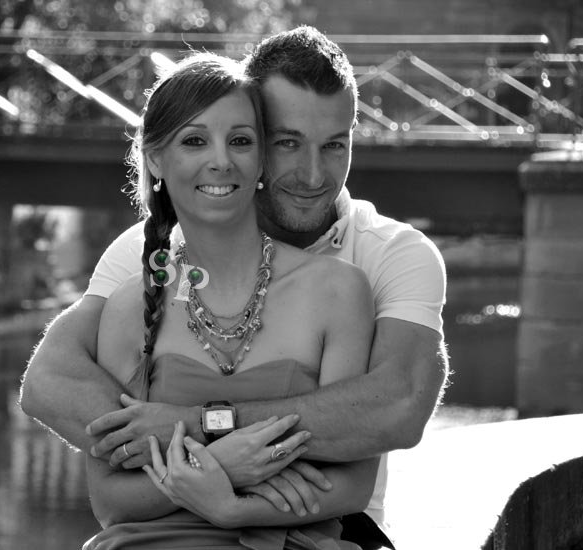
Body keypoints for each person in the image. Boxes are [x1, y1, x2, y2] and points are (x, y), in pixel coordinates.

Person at [20, 26, 448, 548]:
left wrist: (201, 434)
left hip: (320, 523)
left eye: (335, 145)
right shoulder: (147, 260)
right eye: (288, 142)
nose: (314, 174)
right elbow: (50, 382)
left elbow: (396, 408)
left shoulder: (388, 258)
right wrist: (211, 469)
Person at [81, 50, 378, 549]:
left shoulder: (338, 291)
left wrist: (230, 506)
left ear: (260, 157)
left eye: (240, 140)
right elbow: (111, 501)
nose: (221, 160)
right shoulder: (128, 308)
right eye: (195, 140)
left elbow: (353, 483)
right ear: (155, 158)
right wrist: (220, 464)